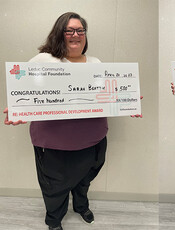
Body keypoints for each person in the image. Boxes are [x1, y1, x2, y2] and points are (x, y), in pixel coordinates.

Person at [3, 12, 140, 230]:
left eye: (80, 30)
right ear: (59, 33)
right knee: (54, 186)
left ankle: (81, 206)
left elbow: (106, 95)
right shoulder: (43, 60)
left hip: (93, 139)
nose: (75, 35)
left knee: (85, 178)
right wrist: (19, 110)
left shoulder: (96, 63)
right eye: (69, 30)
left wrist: (127, 100)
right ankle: (54, 220)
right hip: (55, 142)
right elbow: (25, 92)